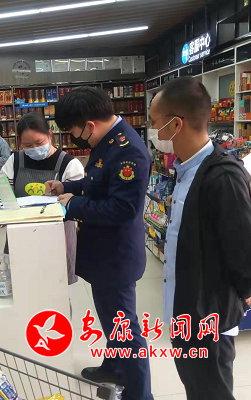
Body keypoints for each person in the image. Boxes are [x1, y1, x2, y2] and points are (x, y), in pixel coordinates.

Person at [148, 77, 251, 400]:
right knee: (196, 388)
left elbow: (242, 246)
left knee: (211, 391)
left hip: (208, 319)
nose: (153, 132)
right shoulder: (185, 169)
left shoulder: (221, 176)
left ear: (176, 124)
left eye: (155, 123)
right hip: (186, 312)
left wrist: (247, 289)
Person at [46, 87, 153, 400]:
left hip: (116, 256)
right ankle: (113, 368)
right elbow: (98, 181)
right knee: (112, 320)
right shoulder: (110, 140)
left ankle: (139, 394)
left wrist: (72, 204)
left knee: (126, 328)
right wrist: (68, 186)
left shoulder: (128, 150)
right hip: (105, 254)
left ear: (89, 125)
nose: (74, 138)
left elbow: (123, 208)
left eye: (73, 131)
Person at [0, 112, 84, 284]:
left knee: (57, 286)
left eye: (39, 143)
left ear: (50, 135)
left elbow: (75, 201)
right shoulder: (15, 161)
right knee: (24, 284)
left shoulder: (68, 163)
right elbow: (2, 191)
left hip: (57, 235)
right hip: (21, 233)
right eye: (27, 145)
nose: (34, 148)